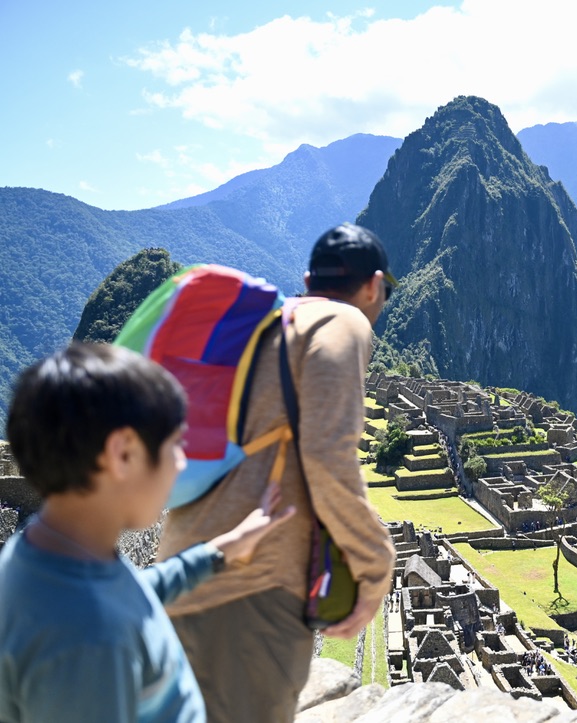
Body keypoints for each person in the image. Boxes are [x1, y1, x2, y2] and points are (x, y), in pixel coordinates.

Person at [156, 223, 398, 722]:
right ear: (374, 285)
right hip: (253, 589)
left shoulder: (266, 328)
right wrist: (375, 566)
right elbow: (329, 456)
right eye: (386, 292)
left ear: (308, 278)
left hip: (185, 564)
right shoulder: (342, 323)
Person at [0, 343, 295, 722]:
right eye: (175, 446)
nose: (181, 463)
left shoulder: (52, 554)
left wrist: (225, 548)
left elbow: (129, 595)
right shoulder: (87, 644)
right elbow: (104, 619)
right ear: (122, 454)